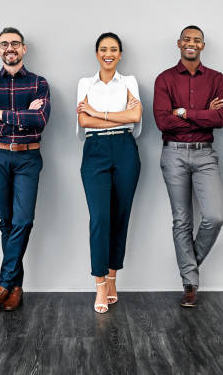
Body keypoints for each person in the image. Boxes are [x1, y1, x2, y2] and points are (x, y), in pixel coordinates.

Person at [0, 27, 51, 311]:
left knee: (23, 220)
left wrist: (0, 114)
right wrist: (21, 117)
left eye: (15, 44)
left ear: (24, 48)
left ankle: (4, 282)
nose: (10, 48)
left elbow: (40, 120)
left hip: (28, 157)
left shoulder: (39, 83)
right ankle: (16, 287)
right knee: (5, 221)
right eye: (5, 44)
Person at [153, 25, 223, 307]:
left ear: (203, 46)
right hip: (173, 153)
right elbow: (163, 121)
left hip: (205, 153)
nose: (191, 43)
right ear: (179, 43)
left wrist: (184, 112)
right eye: (187, 39)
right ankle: (190, 284)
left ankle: (189, 267)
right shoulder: (164, 79)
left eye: (197, 40)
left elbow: (220, 118)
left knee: (215, 216)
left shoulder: (217, 79)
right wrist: (203, 114)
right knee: (182, 220)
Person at [76, 32, 142, 314]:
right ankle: (100, 282)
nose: (108, 53)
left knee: (120, 216)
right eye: (103, 49)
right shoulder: (84, 83)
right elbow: (82, 119)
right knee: (100, 218)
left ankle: (113, 277)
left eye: (114, 49)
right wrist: (114, 114)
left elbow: (135, 117)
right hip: (95, 151)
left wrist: (98, 113)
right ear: (96, 53)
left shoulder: (129, 82)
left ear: (120, 54)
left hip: (125, 149)